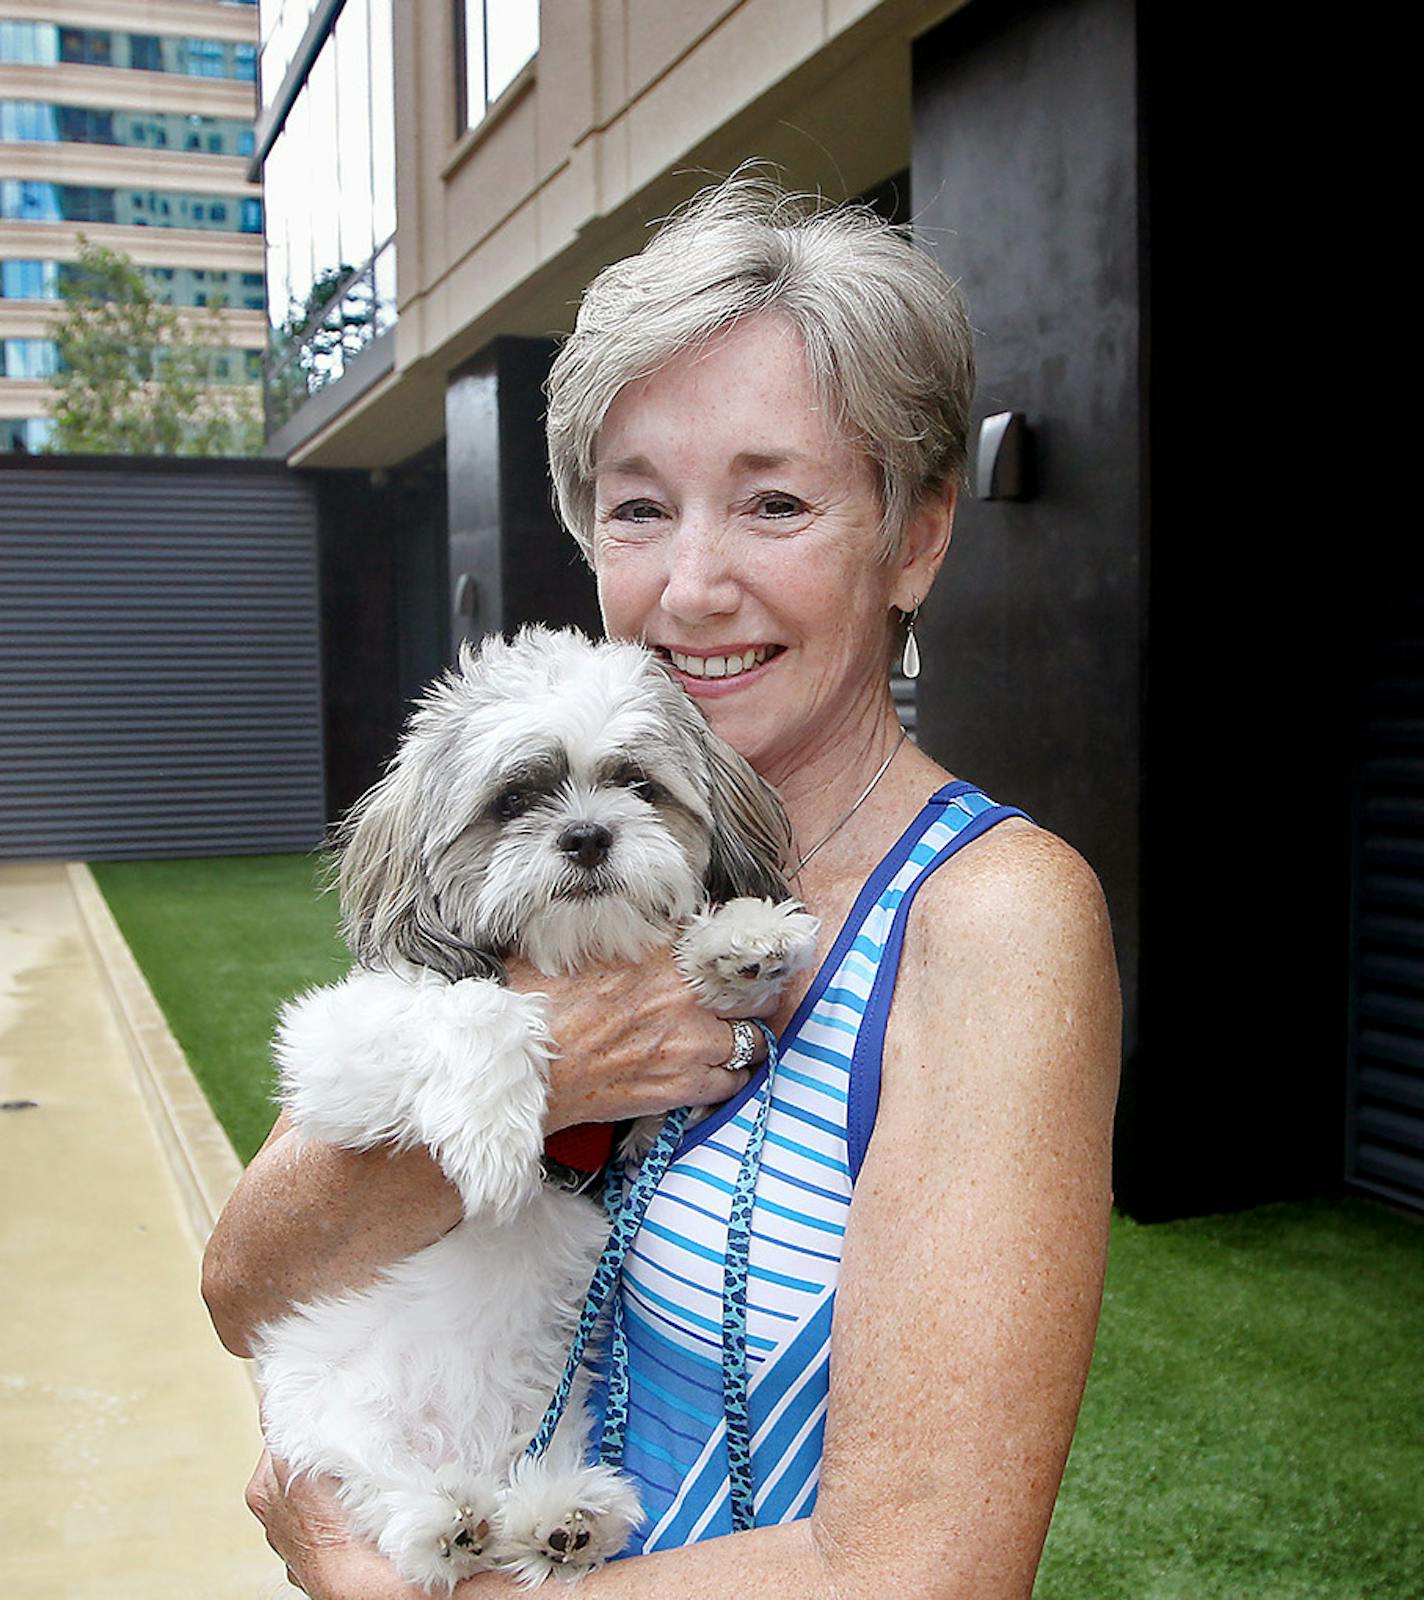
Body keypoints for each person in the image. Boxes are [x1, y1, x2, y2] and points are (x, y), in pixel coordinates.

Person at [205, 175, 1121, 1598]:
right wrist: (549, 1070)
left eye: (773, 501)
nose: (693, 584)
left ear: (916, 535)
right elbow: (242, 1284)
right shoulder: (544, 902)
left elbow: (922, 1572)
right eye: (640, 509)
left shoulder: (987, 921)